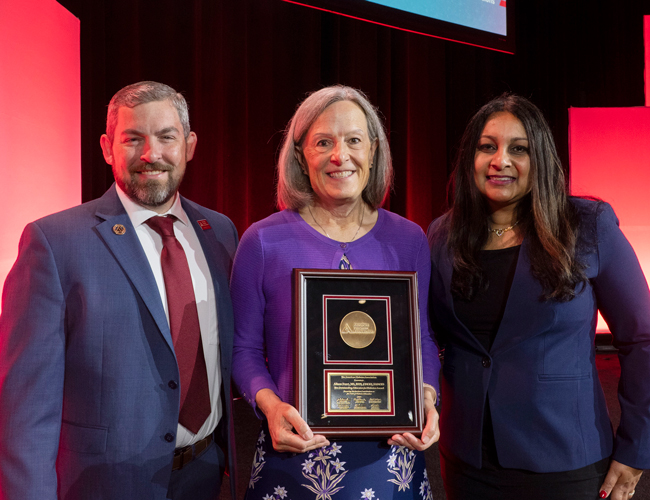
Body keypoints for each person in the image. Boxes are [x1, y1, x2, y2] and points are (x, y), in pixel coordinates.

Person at [0, 81, 238, 500]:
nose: (151, 154)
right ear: (108, 147)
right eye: (133, 139)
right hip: (101, 486)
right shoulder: (54, 243)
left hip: (206, 477)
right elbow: (24, 413)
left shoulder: (220, 233)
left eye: (167, 137)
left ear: (190, 144)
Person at [427, 93, 650, 500]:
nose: (501, 161)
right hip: (467, 463)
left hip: (563, 459)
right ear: (469, 158)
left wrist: (638, 447)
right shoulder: (442, 236)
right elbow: (429, 338)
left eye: (519, 149)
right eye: (487, 147)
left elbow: (643, 339)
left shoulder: (588, 225)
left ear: (541, 158)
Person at [231, 85, 441, 499]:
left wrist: (426, 398)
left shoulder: (409, 240)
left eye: (354, 141)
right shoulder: (261, 241)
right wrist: (272, 409)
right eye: (323, 142)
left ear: (374, 150)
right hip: (294, 455)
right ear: (299, 155)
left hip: (389, 462)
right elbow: (244, 350)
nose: (339, 156)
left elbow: (423, 340)